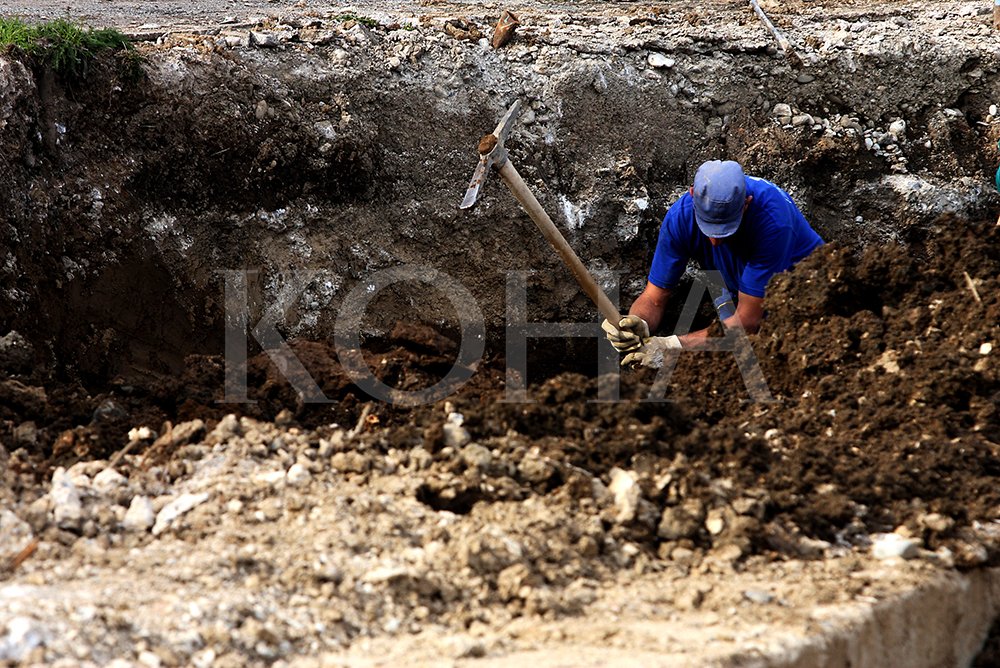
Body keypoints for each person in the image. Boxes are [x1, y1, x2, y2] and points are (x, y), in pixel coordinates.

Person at [604, 160, 823, 366]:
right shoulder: (680, 218)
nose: (714, 240)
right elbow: (653, 298)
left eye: (726, 230)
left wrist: (671, 347)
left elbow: (748, 322)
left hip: (802, 295)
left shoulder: (773, 222)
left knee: (760, 353)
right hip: (737, 289)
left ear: (746, 204)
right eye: (706, 226)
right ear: (692, 195)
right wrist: (637, 323)